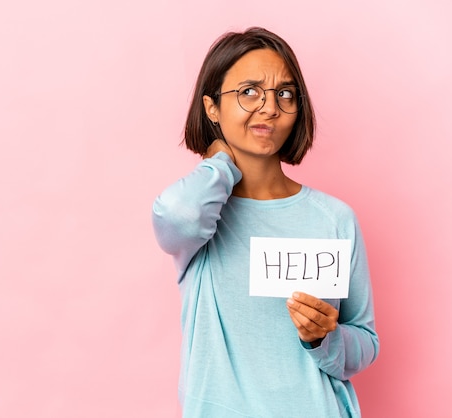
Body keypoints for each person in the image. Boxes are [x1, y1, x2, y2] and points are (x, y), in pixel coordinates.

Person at [152, 27, 379, 418]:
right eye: (249, 92)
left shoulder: (334, 218)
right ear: (212, 108)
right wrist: (221, 161)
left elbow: (366, 343)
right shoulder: (203, 218)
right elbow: (178, 215)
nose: (270, 108)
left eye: (284, 94)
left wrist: (327, 337)